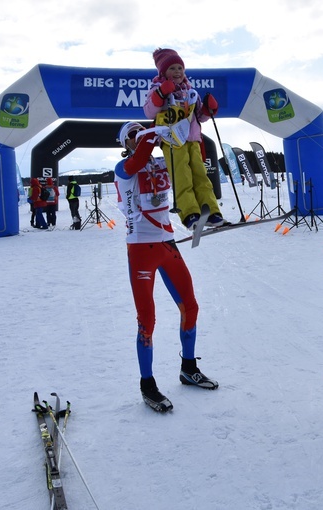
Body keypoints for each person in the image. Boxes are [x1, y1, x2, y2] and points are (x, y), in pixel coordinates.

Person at [114, 121, 218, 412]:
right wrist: (152, 133)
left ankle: (188, 367)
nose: (140, 136)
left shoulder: (162, 160)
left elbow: (194, 156)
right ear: (126, 144)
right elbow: (137, 162)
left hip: (167, 244)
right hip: (140, 248)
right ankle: (147, 384)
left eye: (141, 131)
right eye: (132, 135)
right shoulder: (123, 169)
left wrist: (194, 124)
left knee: (191, 306)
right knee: (147, 319)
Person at [143, 47, 224, 229]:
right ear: (163, 72)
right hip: (172, 140)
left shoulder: (190, 91)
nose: (177, 72)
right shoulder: (157, 88)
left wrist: (208, 110)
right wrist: (161, 94)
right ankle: (190, 214)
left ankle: (211, 212)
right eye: (172, 68)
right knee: (182, 176)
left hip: (192, 138)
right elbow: (149, 111)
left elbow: (199, 117)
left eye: (180, 68)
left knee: (200, 176)